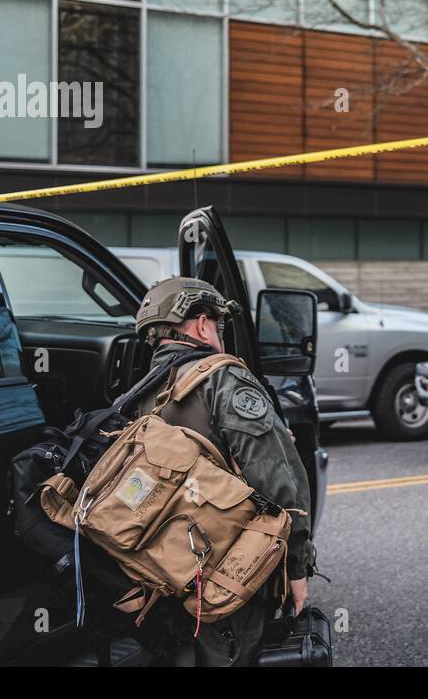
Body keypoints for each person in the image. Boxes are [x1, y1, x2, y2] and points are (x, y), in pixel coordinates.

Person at [128, 276, 314, 666]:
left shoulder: (137, 393)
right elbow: (279, 482)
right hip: (227, 574)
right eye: (218, 324)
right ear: (200, 325)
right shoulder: (224, 378)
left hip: (160, 571)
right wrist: (297, 566)